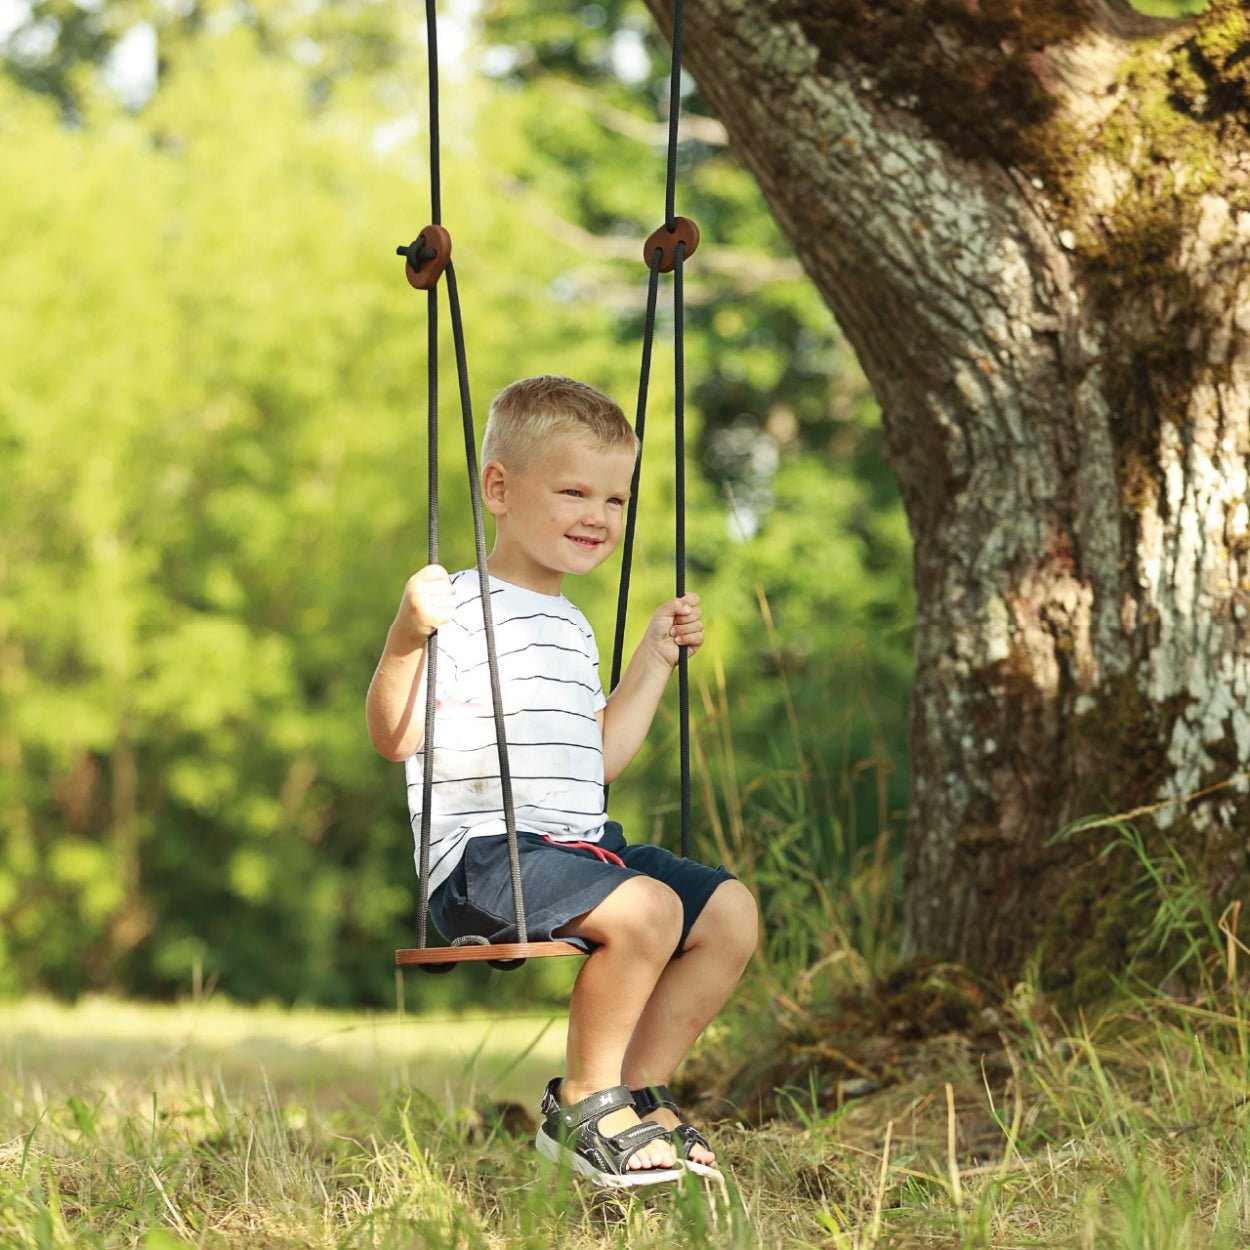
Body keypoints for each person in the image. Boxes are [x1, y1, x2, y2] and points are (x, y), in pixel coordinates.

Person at [366, 375, 758, 1187]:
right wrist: (406, 638)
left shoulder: (574, 625)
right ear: (499, 489)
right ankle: (583, 1105)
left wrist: (651, 657)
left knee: (728, 913)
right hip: (482, 858)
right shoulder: (455, 609)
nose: (597, 516)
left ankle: (639, 1095)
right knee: (649, 909)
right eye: (574, 490)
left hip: (580, 847)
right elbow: (393, 736)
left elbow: (598, 763)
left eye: (615, 499)